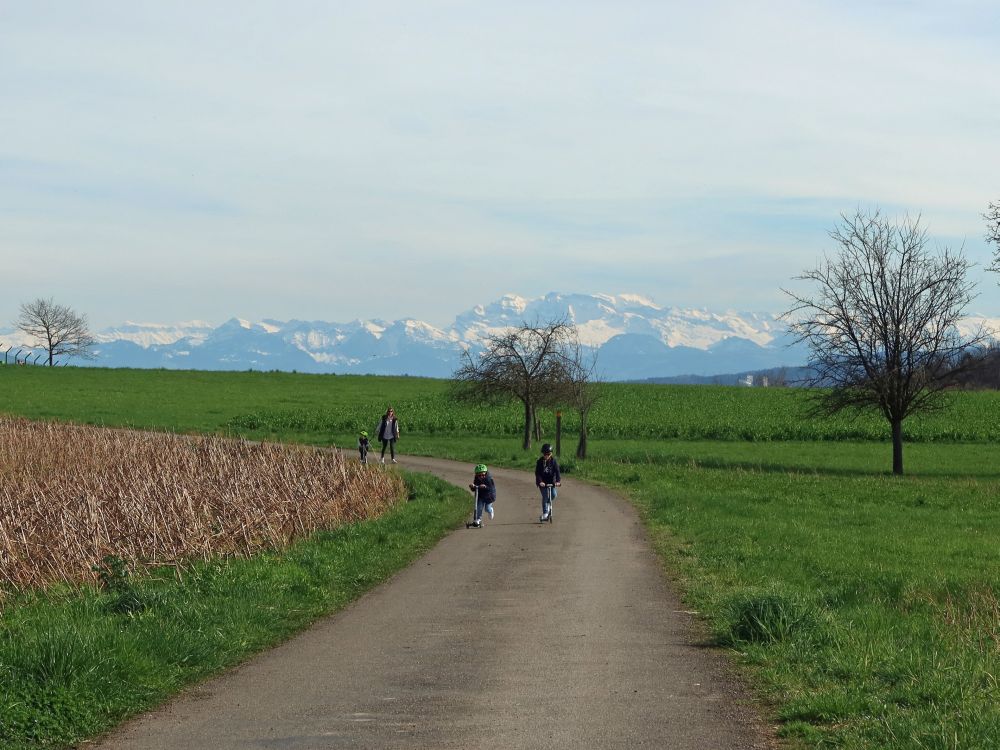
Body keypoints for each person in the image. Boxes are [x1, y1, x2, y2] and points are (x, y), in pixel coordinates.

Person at [535, 443, 561, 522]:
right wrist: (540, 482)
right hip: (542, 482)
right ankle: (545, 512)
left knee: (553, 495)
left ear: (551, 454)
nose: (546, 456)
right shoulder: (540, 462)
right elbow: (538, 473)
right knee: (545, 496)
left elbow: (557, 472)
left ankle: (548, 503)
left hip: (551, 482)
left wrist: (558, 481)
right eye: (545, 454)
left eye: (548, 454)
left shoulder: (554, 462)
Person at [468, 463, 496, 528]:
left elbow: (490, 488)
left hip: (489, 496)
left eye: (483, 475)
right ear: (476, 475)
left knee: (487, 509)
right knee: (479, 507)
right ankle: (478, 519)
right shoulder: (476, 478)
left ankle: (491, 510)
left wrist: (485, 487)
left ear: (485, 473)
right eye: (479, 475)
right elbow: (474, 488)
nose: (481, 476)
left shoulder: (489, 479)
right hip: (480, 495)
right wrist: (472, 486)